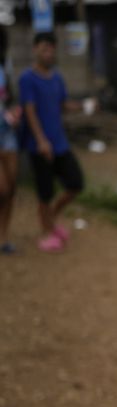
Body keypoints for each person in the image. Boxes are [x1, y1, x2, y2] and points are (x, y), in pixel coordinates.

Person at [18, 32, 85, 253]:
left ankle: (52, 221)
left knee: (75, 183)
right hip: (40, 146)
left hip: (60, 143)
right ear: (36, 49)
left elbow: (64, 104)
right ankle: (47, 232)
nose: (49, 53)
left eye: (52, 49)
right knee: (44, 193)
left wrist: (85, 106)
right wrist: (41, 140)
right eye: (45, 48)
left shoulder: (57, 78)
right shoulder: (27, 79)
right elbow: (30, 110)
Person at [0, 26, 19, 254]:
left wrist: (15, 110)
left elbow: (12, 97)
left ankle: (3, 237)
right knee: (2, 189)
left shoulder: (6, 64)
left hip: (8, 132)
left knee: (11, 188)